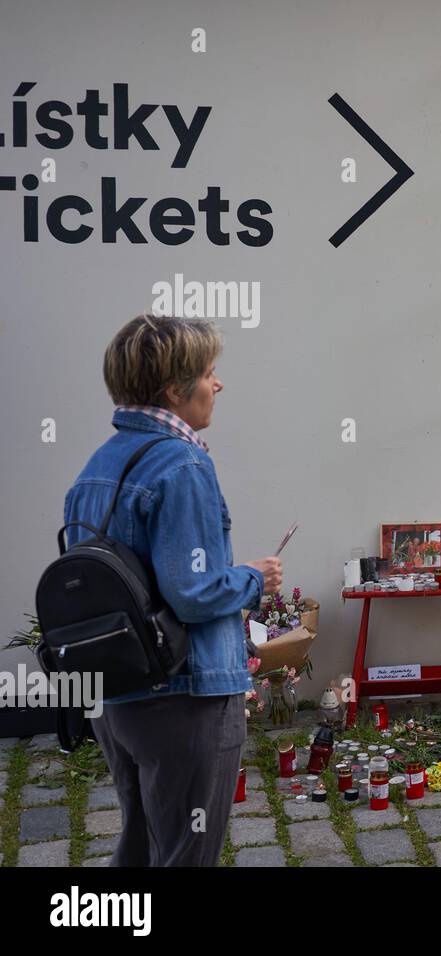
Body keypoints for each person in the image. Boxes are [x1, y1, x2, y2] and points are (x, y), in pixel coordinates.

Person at [62, 314, 283, 866]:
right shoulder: (182, 464)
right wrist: (254, 578)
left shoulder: (99, 464)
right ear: (173, 390)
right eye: (210, 373)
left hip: (116, 695)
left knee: (139, 845)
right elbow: (193, 592)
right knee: (186, 852)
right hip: (184, 696)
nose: (218, 384)